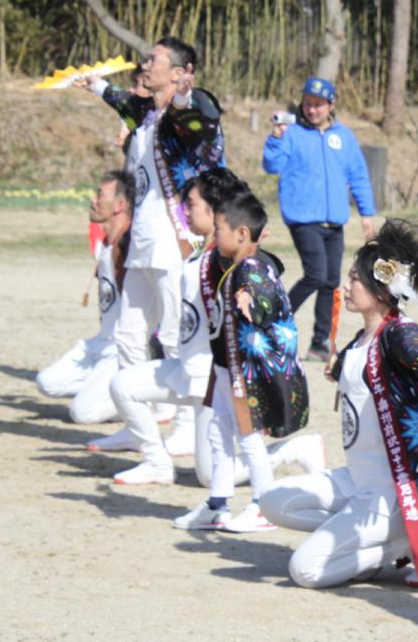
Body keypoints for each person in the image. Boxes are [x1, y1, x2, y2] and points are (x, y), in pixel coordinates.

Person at [260, 219, 418, 588]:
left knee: (305, 570)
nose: (346, 285)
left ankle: (403, 543)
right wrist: (339, 368)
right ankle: (368, 542)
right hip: (355, 481)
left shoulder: (400, 332)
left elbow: (416, 353)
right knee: (273, 501)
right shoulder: (362, 338)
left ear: (382, 290)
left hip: (390, 493)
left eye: (354, 279)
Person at [108, 170, 324, 485]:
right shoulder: (202, 251)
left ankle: (297, 449)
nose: (184, 211)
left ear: (215, 210)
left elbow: (262, 272)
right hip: (187, 369)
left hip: (215, 377)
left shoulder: (226, 259)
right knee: (123, 385)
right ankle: (156, 462)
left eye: (191, 204)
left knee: (210, 475)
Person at [81, 36, 225, 456]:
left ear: (179, 72)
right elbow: (123, 101)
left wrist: (182, 98)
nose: (144, 64)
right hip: (143, 239)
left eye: (153, 60)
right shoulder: (145, 112)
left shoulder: (191, 111)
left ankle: (187, 426)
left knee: (179, 335)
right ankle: (137, 426)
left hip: (174, 238)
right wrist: (95, 85)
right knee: (128, 335)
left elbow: (199, 120)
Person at [173, 192, 309, 532]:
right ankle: (217, 505)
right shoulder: (237, 263)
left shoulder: (251, 269)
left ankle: (263, 505)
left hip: (244, 372)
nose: (215, 236)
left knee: (247, 436)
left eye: (219, 229)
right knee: (219, 433)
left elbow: (261, 293)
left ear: (242, 233)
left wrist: (251, 298)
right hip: (225, 367)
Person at [262, 77, 377, 362]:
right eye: (308, 104)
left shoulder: (344, 136)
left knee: (330, 281)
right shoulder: (292, 133)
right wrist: (276, 138)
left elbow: (358, 176)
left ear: (331, 104)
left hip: (334, 220)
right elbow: (272, 165)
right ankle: (272, 323)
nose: (312, 110)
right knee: (315, 274)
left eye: (318, 105)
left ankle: (319, 343)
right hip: (303, 218)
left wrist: (366, 213)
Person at [37, 171, 133, 424]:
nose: (93, 200)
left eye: (100, 195)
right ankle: (106, 389)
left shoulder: (128, 247)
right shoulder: (106, 245)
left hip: (120, 351)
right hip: (99, 344)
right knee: (47, 383)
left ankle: (145, 402)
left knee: (82, 413)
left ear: (119, 205)